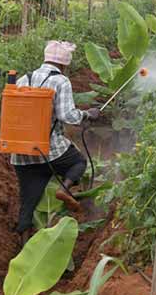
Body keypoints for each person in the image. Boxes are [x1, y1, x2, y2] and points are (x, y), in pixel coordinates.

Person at [11, 40, 100, 243]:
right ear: (64, 64)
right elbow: (67, 115)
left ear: (46, 58)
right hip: (50, 151)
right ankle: (64, 189)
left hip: (21, 153)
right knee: (78, 162)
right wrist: (88, 115)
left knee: (28, 201)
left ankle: (24, 245)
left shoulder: (24, 78)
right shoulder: (60, 81)